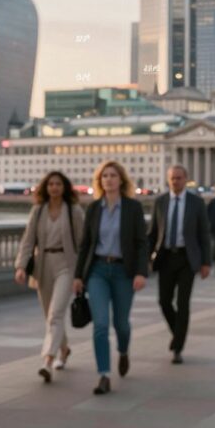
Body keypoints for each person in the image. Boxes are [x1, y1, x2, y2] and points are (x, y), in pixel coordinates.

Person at [73, 161, 148, 395]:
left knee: (121, 324)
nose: (109, 179)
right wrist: (78, 275)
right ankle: (104, 374)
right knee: (101, 324)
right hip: (97, 270)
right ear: (100, 181)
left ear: (121, 180)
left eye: (113, 175)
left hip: (123, 272)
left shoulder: (133, 208)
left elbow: (141, 243)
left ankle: (123, 351)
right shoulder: (94, 208)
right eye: (104, 176)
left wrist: (140, 272)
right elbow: (85, 244)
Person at [13, 171, 84, 383]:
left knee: (56, 313)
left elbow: (83, 243)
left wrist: (81, 273)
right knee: (50, 315)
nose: (54, 188)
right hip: (44, 265)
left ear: (65, 188)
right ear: (46, 187)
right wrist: (21, 266)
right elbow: (28, 241)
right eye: (51, 184)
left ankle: (47, 361)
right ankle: (64, 349)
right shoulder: (38, 211)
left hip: (66, 265)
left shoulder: (74, 211)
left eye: (58, 184)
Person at [148, 165, 211, 364]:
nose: (175, 181)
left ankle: (178, 346)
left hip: (186, 258)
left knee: (183, 303)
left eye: (179, 178)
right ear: (168, 180)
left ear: (186, 179)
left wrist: (206, 262)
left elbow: (203, 234)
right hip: (166, 257)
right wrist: (146, 259)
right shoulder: (160, 202)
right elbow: (152, 234)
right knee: (164, 301)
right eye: (172, 178)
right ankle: (178, 332)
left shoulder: (196, 203)